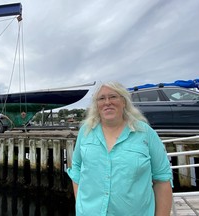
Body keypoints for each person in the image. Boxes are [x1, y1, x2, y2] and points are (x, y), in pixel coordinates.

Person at [67, 82, 173, 216]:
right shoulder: (86, 131)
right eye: (101, 98)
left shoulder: (145, 133)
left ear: (124, 101)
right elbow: (76, 168)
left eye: (113, 97)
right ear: (96, 105)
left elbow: (162, 179)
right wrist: (81, 204)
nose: (107, 102)